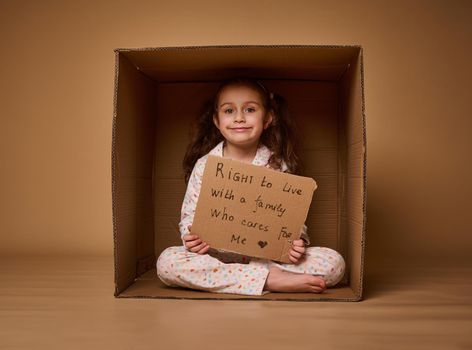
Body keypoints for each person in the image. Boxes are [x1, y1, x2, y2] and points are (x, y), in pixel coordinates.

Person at [156, 78, 345, 296]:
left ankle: (253, 276)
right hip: (216, 257)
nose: (239, 118)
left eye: (250, 109)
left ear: (268, 118)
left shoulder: (277, 164)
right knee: (167, 262)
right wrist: (192, 238)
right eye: (229, 110)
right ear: (216, 121)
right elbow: (189, 217)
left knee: (334, 263)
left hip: (266, 256)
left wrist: (296, 243)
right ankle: (268, 280)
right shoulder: (205, 165)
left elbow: (292, 221)